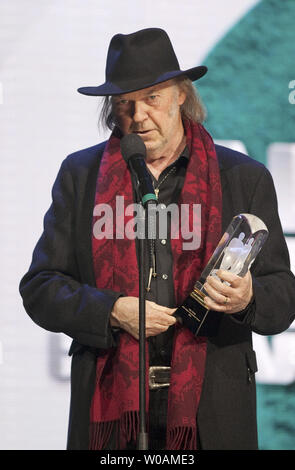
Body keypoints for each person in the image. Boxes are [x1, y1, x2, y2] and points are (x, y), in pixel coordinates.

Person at [19, 27, 295, 450]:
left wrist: (248, 297)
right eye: (125, 104)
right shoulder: (82, 176)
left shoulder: (243, 177)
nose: (139, 115)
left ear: (181, 94)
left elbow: (283, 295)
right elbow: (41, 288)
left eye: (152, 98)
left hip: (213, 411)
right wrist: (112, 310)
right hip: (111, 413)